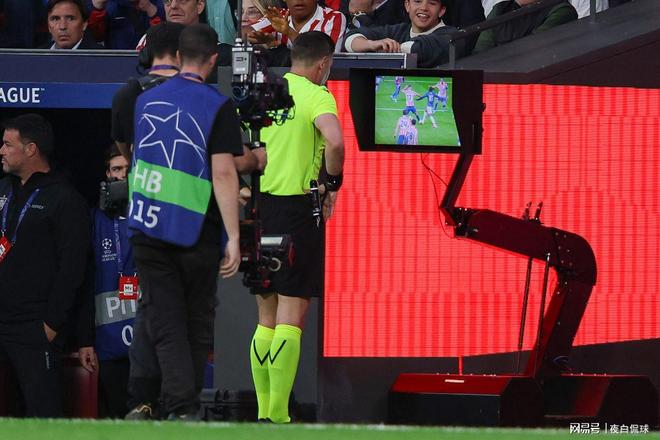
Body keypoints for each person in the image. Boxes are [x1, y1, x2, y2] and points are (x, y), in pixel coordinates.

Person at [128, 23, 242, 419]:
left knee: (166, 322)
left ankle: (178, 407)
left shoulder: (144, 100)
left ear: (177, 57)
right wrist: (233, 236)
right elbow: (224, 173)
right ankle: (181, 406)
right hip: (196, 229)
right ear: (213, 59)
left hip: (148, 224)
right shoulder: (218, 105)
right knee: (194, 322)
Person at [250, 31, 344, 424]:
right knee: (291, 315)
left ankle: (263, 413)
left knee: (265, 316)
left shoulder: (268, 91)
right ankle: (278, 417)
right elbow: (335, 142)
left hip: (261, 209)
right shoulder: (317, 95)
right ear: (323, 64)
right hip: (297, 211)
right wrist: (333, 183)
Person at [0, 113, 91, 417]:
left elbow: (74, 269)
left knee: (42, 415)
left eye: (7, 144)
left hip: (34, 328)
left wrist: (51, 325)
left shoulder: (65, 199)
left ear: (31, 149)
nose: (1, 151)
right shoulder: (3, 190)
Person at [76, 145, 137, 418]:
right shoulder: (93, 220)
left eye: (127, 169)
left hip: (149, 339)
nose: (122, 175)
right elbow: (83, 281)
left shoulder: (152, 216)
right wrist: (85, 340)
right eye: (116, 169)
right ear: (107, 174)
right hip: (109, 342)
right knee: (117, 414)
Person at [344, 0, 461, 68]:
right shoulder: (399, 30)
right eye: (417, 1)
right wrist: (372, 44)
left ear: (441, 11)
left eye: (432, 3)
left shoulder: (452, 35)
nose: (424, 8)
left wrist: (385, 47)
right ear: (407, 5)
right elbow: (350, 39)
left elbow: (419, 48)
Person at [473, 0, 576, 54]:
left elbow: (529, 52)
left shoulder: (562, 11)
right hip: (492, 79)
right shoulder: (500, 9)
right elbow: (481, 52)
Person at [256, 0, 346, 52]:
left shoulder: (333, 18)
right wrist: (261, 40)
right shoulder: (278, 16)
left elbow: (323, 57)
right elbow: (249, 31)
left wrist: (289, 32)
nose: (299, 0)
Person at [87, 0, 166, 49]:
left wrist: (151, 9)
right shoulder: (110, 5)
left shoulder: (159, 3)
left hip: (150, 61)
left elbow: (164, 39)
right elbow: (96, 37)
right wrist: (97, 8)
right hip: (116, 61)